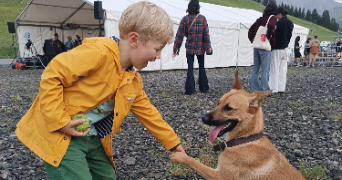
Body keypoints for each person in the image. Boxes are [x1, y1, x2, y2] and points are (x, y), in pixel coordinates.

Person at [15, 2, 185, 180]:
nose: (158, 57)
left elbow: (149, 114)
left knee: (107, 176)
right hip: (62, 135)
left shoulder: (132, 81)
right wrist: (60, 121)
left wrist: (173, 143)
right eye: (157, 50)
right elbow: (53, 74)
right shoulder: (98, 53)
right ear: (134, 40)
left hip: (93, 137)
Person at [173, 0, 212, 95]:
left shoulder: (185, 19)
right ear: (198, 7)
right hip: (201, 48)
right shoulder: (202, 19)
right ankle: (204, 88)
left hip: (190, 48)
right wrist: (208, 48)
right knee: (201, 67)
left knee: (190, 68)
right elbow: (206, 35)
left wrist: (176, 49)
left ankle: (190, 90)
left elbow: (179, 36)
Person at [248, 3, 277, 93]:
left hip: (256, 46)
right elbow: (271, 26)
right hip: (265, 47)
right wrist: (268, 38)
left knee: (255, 69)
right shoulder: (273, 18)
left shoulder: (259, 19)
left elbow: (250, 30)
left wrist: (253, 40)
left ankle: (254, 90)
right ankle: (264, 90)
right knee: (265, 70)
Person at [268, 7, 293, 94]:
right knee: (283, 69)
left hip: (277, 49)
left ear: (279, 14)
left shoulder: (278, 23)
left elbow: (275, 36)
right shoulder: (290, 23)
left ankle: (273, 89)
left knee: (274, 69)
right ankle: (281, 88)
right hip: (286, 48)